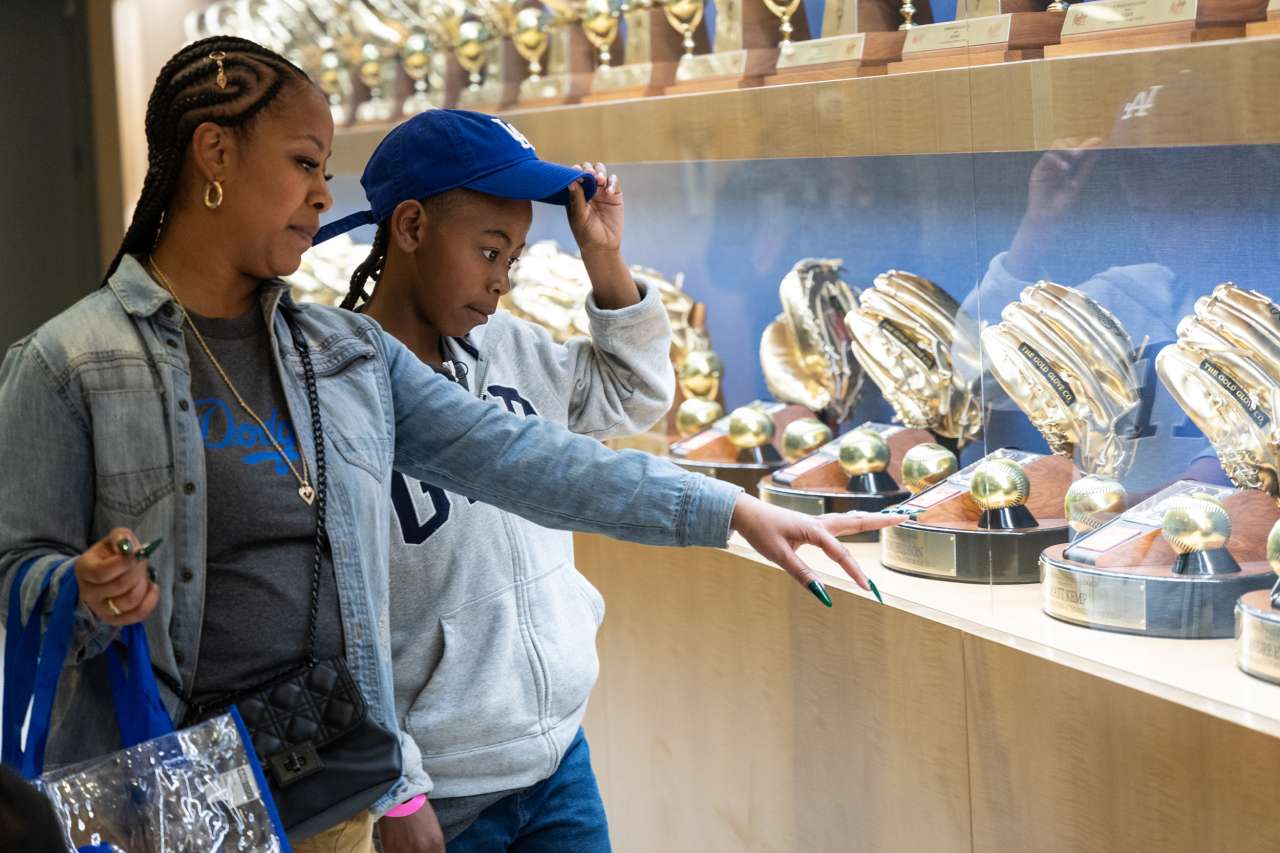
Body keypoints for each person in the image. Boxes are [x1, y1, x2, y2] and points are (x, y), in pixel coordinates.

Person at [0, 37, 901, 851]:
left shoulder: (338, 354)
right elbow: (13, 570)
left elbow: (526, 460)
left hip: (335, 792)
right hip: (173, 804)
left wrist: (728, 508)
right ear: (215, 154)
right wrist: (76, 585)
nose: (324, 193)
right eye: (306, 163)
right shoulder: (70, 362)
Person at [319, 108, 680, 849]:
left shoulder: (507, 349)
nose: (503, 282)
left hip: (558, 765)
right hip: (440, 797)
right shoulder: (334, 398)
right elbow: (333, 624)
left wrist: (604, 259)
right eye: (489, 251)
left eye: (513, 257)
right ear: (411, 228)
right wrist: (395, 785)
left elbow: (635, 394)